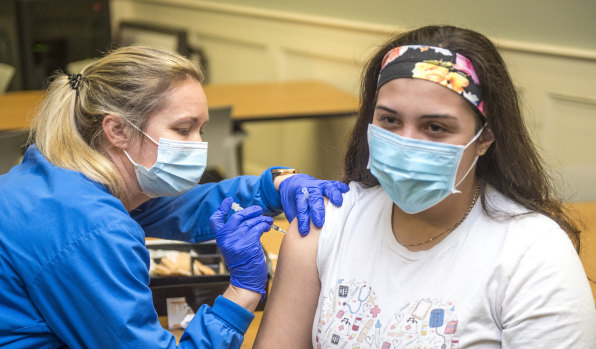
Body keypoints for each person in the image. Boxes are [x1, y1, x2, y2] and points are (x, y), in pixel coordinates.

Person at [254, 25, 596, 348]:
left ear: (485, 138)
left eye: (434, 127)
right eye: (389, 120)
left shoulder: (532, 255)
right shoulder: (325, 224)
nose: (405, 142)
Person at [0, 46, 348, 348]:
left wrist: (273, 188)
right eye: (183, 130)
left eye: (202, 129)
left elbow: (183, 207)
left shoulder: (57, 177)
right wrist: (241, 292)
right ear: (117, 129)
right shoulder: (91, 228)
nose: (198, 145)